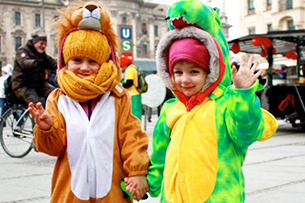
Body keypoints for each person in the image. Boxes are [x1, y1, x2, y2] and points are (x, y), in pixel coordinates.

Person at [125, 1, 278, 201]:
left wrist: (242, 94)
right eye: (178, 72)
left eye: (194, 72)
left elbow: (245, 133)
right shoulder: (171, 109)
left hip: (219, 196)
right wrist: (148, 184)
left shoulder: (223, 105)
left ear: (210, 72)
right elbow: (160, 155)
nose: (185, 80)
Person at [28, 2, 149, 203]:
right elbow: (54, 148)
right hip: (70, 193)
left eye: (93, 62)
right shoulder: (58, 99)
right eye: (77, 60)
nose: (84, 68)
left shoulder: (117, 97)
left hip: (111, 193)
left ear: (104, 63)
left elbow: (132, 137)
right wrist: (47, 128)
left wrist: (137, 170)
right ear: (65, 62)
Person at [12, 32, 57, 105]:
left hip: (38, 84)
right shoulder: (23, 50)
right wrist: (36, 63)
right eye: (41, 43)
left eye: (45, 44)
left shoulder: (42, 54)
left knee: (57, 95)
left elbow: (51, 62)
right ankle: (39, 115)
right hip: (23, 85)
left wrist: (64, 65)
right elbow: (24, 62)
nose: (43, 46)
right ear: (35, 43)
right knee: (38, 104)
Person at [120, 55, 143, 120]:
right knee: (137, 114)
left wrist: (120, 86)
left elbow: (129, 83)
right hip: (136, 94)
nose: (122, 69)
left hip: (132, 95)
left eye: (122, 66)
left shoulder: (129, 69)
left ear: (124, 64)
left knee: (133, 114)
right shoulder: (133, 68)